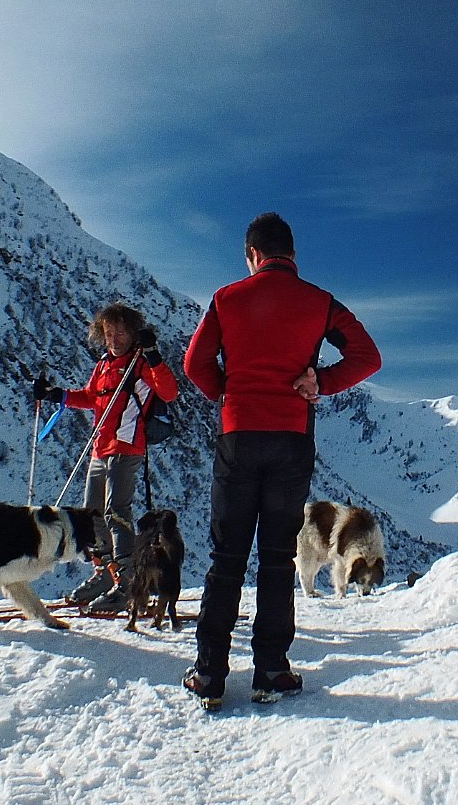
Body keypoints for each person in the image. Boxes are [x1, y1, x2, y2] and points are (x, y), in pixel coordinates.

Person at [180, 212, 381, 708]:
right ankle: (271, 669)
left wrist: (226, 394)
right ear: (292, 254)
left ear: (252, 255)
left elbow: (194, 364)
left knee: (226, 558)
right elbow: (367, 356)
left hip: (238, 436)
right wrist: (322, 382)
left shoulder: (226, 299)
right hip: (291, 440)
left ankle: (209, 675)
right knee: (275, 558)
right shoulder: (319, 302)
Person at [32, 303, 180, 613]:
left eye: (121, 333)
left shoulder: (139, 364)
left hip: (126, 447)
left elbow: (168, 392)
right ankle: (105, 574)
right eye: (109, 333)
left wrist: (153, 355)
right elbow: (90, 397)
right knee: (93, 515)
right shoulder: (103, 365)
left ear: (133, 333)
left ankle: (126, 583)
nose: (114, 339)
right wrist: (56, 394)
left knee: (116, 512)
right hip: (101, 448)